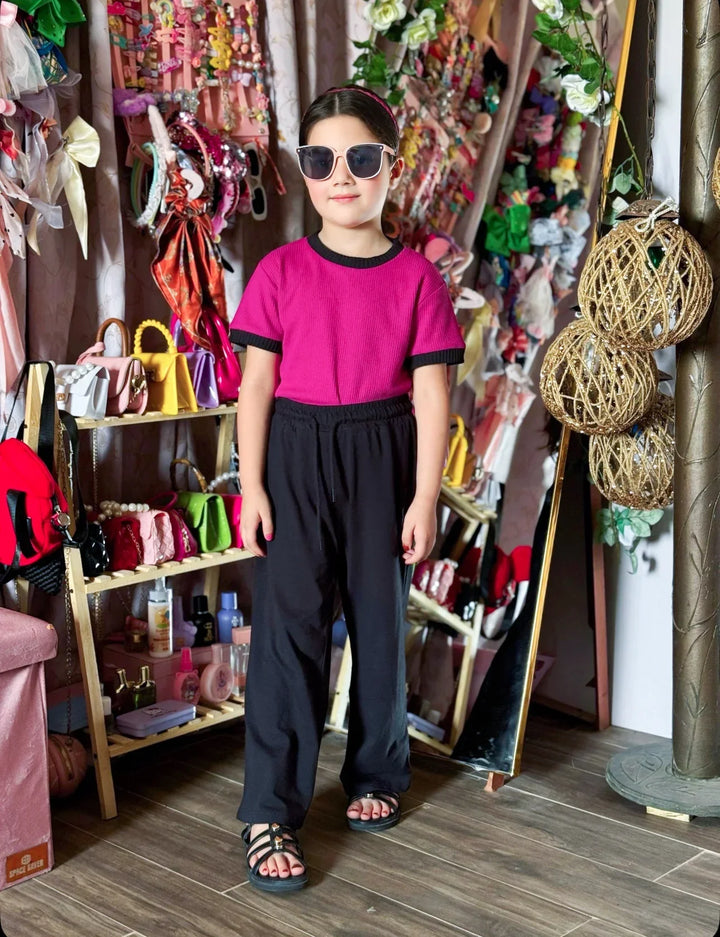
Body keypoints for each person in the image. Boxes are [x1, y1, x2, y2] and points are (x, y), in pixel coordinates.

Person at [229, 85, 465, 893]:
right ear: (302, 172)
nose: (342, 176)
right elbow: (255, 386)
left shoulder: (417, 281)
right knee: (289, 630)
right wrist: (252, 483)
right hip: (295, 453)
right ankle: (269, 808)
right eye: (322, 159)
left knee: (377, 618)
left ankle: (376, 771)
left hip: (382, 453)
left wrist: (424, 497)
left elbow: (433, 395)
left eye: (361, 159)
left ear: (389, 169)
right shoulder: (279, 270)